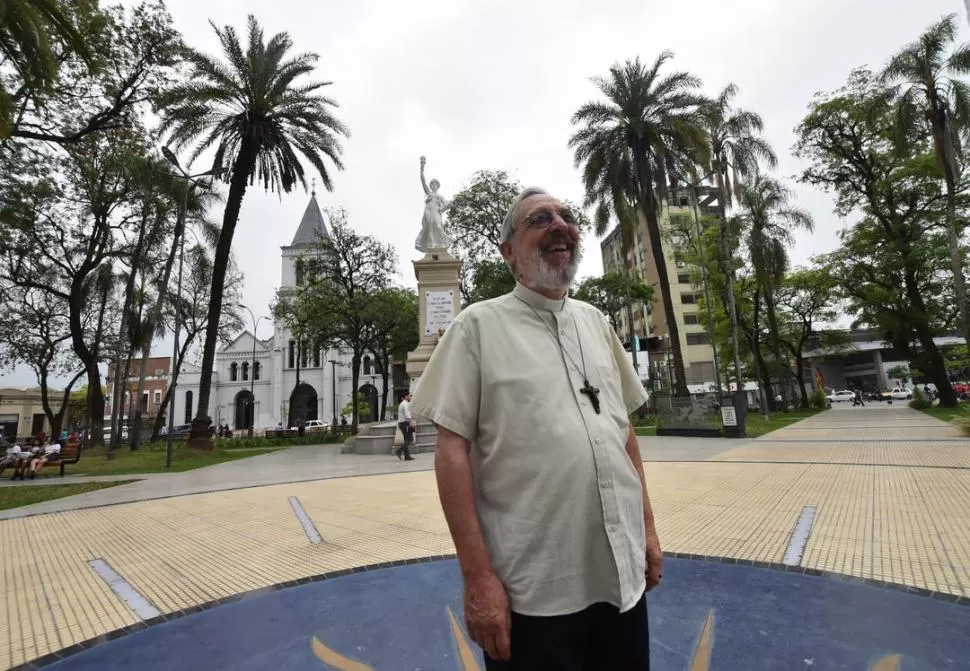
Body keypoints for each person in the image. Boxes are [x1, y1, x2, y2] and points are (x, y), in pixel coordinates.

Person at [411, 187, 660, 669]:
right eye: (539, 219)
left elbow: (623, 433)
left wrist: (646, 531)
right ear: (509, 252)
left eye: (567, 216)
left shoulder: (597, 323)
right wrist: (478, 577)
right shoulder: (476, 329)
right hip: (533, 596)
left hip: (620, 580)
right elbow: (452, 453)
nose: (559, 224)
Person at [414, 156, 453, 252]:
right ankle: (431, 245)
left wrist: (445, 207)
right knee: (428, 227)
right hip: (428, 211)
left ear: (438, 186)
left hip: (436, 212)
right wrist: (421, 169)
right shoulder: (429, 193)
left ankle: (444, 243)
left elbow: (446, 205)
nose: (433, 185)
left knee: (437, 226)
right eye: (432, 184)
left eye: (435, 184)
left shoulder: (440, 196)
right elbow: (423, 181)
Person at [396, 392, 415, 461]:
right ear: (406, 396)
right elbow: (407, 415)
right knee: (410, 439)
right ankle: (399, 451)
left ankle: (407, 456)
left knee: (406, 439)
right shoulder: (405, 404)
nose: (411, 397)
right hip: (405, 423)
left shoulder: (402, 403)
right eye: (410, 396)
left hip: (402, 423)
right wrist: (411, 422)